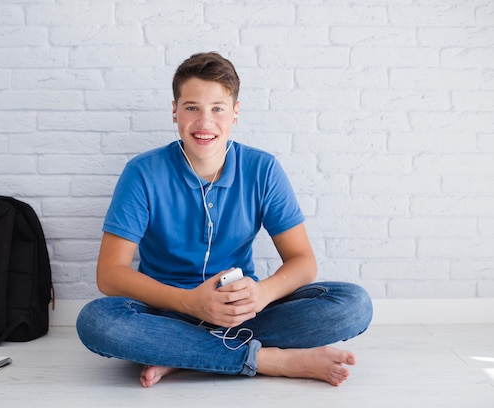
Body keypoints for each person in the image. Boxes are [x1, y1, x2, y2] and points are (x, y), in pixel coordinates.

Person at [76, 52, 373, 388]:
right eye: (192, 108)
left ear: (235, 112)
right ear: (174, 110)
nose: (205, 122)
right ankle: (265, 359)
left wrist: (261, 294)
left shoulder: (263, 169)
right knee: (97, 322)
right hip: (165, 311)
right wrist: (188, 302)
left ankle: (182, 354)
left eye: (217, 108)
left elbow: (303, 261)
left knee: (353, 304)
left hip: (241, 312)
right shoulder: (142, 173)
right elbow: (110, 274)